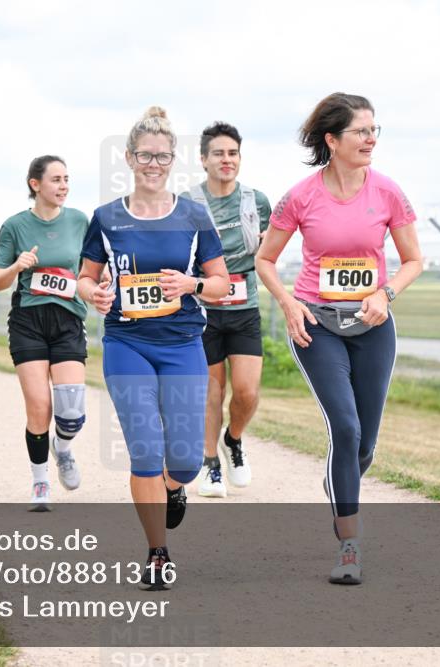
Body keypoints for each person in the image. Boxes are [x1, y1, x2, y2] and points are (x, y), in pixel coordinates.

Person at [256, 92, 423, 585]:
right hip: (317, 325)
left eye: (375, 130)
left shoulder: (388, 192)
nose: (371, 139)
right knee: (345, 430)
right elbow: (265, 259)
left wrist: (385, 294)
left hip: (373, 328)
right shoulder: (301, 196)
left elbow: (414, 260)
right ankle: (349, 546)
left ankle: (340, 479)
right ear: (332, 140)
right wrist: (289, 303)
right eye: (361, 131)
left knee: (364, 446)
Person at [79, 108, 228, 590]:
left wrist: (191, 284)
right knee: (144, 449)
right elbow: (84, 277)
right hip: (127, 343)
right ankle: (157, 552)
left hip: (182, 343)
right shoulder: (106, 218)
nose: (153, 164)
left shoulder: (193, 216)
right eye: (145, 155)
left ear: (173, 160)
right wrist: (94, 293)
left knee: (184, 461)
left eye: (162, 157)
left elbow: (221, 283)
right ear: (128, 157)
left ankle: (172, 485)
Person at [0, 155, 89, 511]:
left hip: (68, 320)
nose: (63, 186)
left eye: (66, 179)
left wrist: (100, 284)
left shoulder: (79, 221)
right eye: (56, 180)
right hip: (28, 321)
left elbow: (91, 270)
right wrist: (17, 265)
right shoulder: (14, 226)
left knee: (71, 412)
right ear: (36, 184)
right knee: (39, 408)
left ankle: (62, 447)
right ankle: (40, 481)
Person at [182, 122, 272, 498]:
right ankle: (210, 465)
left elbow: (270, 250)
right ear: (203, 160)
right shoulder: (186, 203)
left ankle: (232, 440)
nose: (226, 159)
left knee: (247, 392)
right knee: (212, 393)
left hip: (244, 307)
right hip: (204, 309)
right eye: (218, 153)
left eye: (232, 153)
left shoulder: (257, 201)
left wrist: (268, 245)